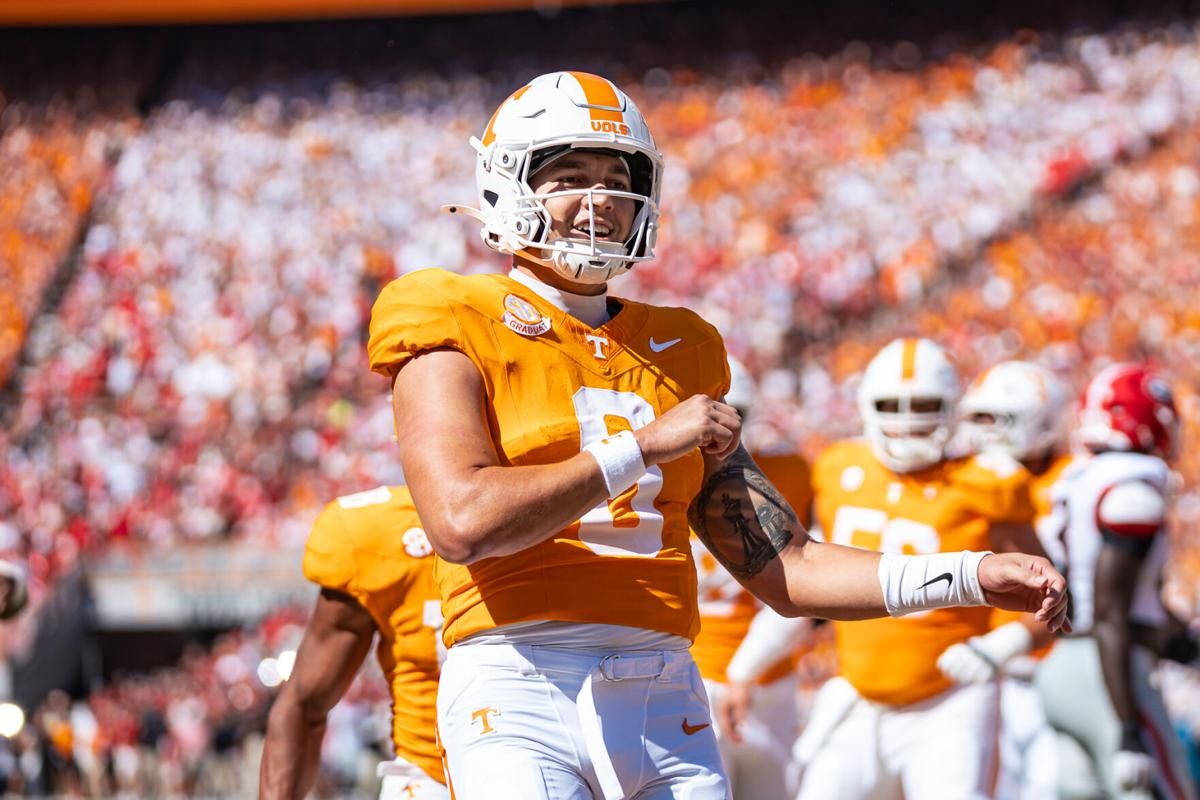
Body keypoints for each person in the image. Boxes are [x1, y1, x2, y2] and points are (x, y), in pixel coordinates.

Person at [368, 72, 1068, 800]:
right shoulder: (448, 312)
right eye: (570, 177)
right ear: (508, 183)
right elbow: (463, 521)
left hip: (665, 686)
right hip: (518, 678)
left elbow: (789, 569)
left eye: (617, 179)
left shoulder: (684, 346)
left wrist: (972, 574)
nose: (600, 198)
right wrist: (642, 447)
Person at [796, 338, 1056, 800]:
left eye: (924, 405)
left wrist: (996, 648)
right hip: (856, 695)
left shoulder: (986, 482)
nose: (907, 418)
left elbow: (1047, 595)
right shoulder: (838, 468)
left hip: (949, 700)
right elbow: (809, 576)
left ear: (952, 407)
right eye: (892, 405)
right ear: (866, 405)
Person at [1035, 364, 1198, 800]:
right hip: (1110, 675)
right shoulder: (1133, 490)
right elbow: (1110, 613)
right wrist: (1127, 728)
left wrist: (1185, 646)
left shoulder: (1077, 477)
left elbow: (1115, 601)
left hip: (1062, 665)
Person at [259, 485, 446, 800]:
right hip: (429, 775)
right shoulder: (381, 535)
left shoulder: (541, 517)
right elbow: (303, 704)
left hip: (536, 754)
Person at [944, 360, 1072, 800]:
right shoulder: (968, 476)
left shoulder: (1068, 479)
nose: (984, 430)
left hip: (1050, 665)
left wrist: (1008, 642)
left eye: (998, 417)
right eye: (978, 416)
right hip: (975, 666)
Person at [690, 357, 813, 800]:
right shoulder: (660, 480)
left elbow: (806, 581)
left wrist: (745, 670)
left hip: (770, 678)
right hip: (691, 676)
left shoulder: (791, 473)